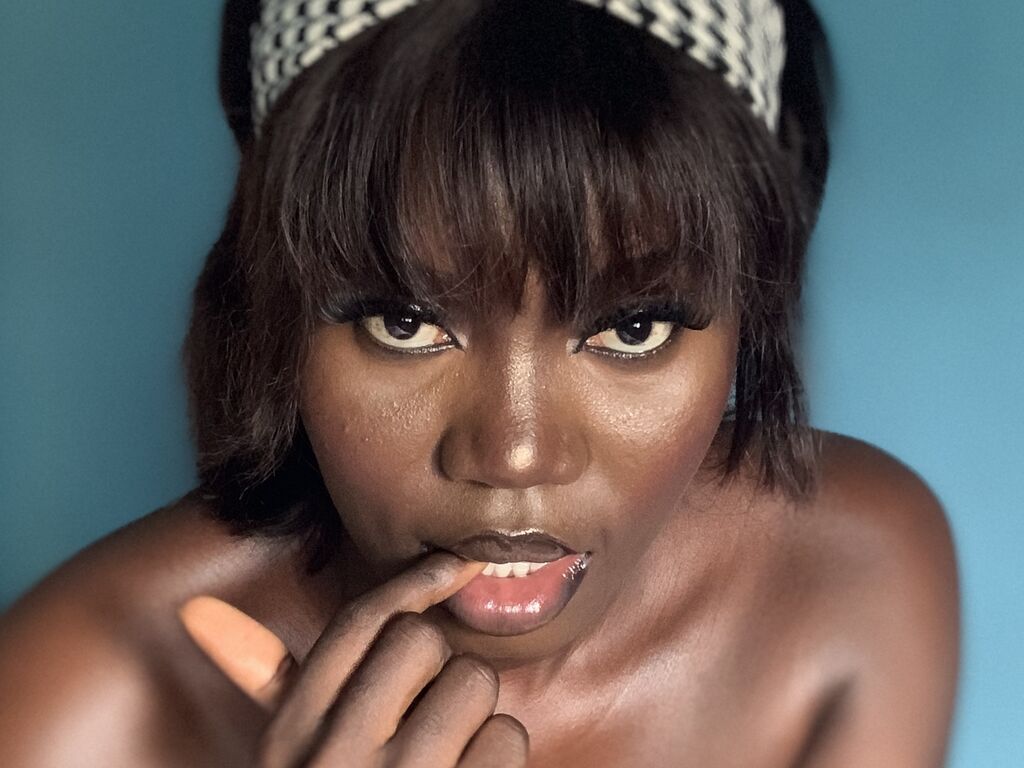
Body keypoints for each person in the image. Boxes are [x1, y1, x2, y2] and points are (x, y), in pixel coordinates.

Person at [0, 0, 959, 765]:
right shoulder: (75, 709)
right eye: (404, 322)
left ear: (751, 306)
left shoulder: (850, 583)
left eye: (632, 327)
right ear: (276, 304)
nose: (515, 453)